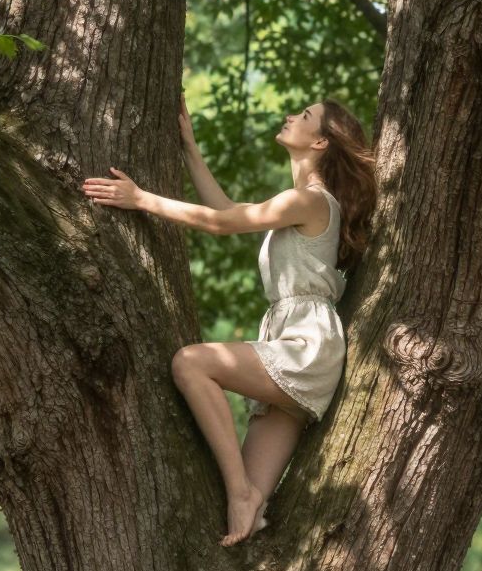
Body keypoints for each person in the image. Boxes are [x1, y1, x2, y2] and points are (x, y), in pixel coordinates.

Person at [81, 95, 376, 546]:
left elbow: (220, 224)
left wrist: (140, 199)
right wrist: (190, 149)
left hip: (303, 345)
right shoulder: (304, 202)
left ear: (320, 141)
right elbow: (226, 209)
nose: (291, 116)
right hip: (290, 338)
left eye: (305, 116)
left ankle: (240, 491)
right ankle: (246, 506)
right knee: (250, 511)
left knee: (191, 363)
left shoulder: (310, 200)